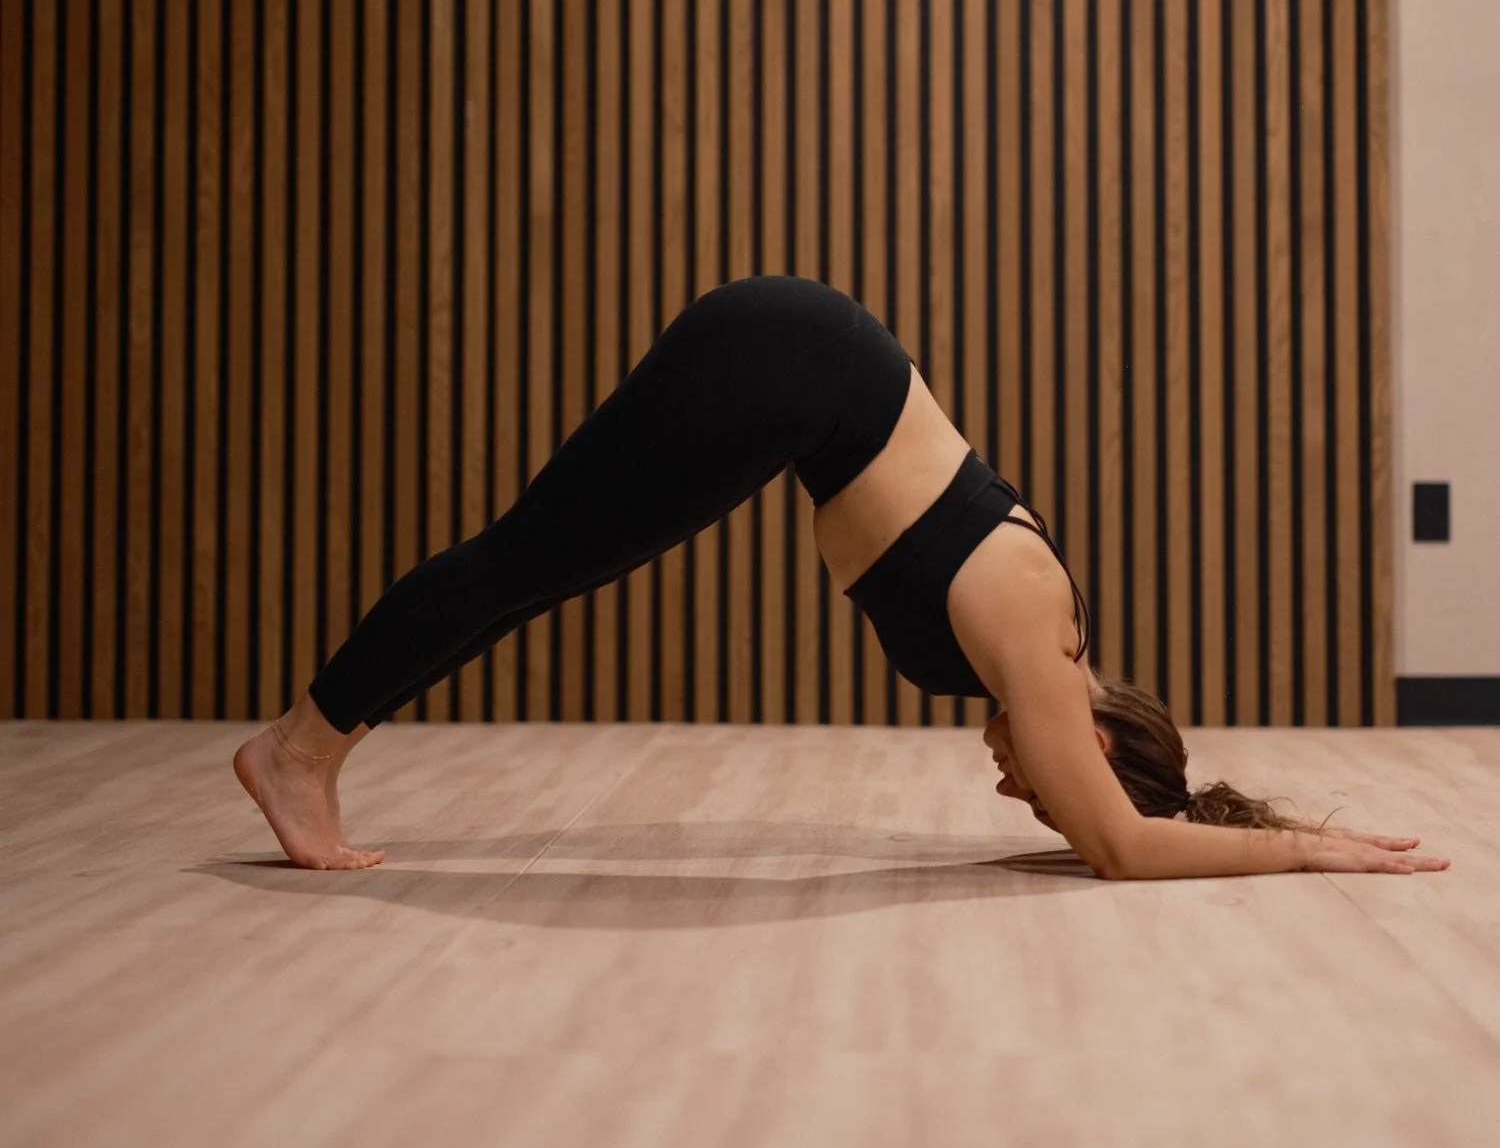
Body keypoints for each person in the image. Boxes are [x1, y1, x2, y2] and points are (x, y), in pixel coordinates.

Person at [233, 275, 1448, 880]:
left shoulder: (1034, 630)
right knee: (521, 559)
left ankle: (310, 747)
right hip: (784, 362)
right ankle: (298, 749)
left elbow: (1104, 821)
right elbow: (1124, 847)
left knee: (534, 573)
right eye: (1044, 784)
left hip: (791, 374)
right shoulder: (1034, 627)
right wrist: (1309, 848)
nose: (1012, 782)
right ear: (1094, 738)